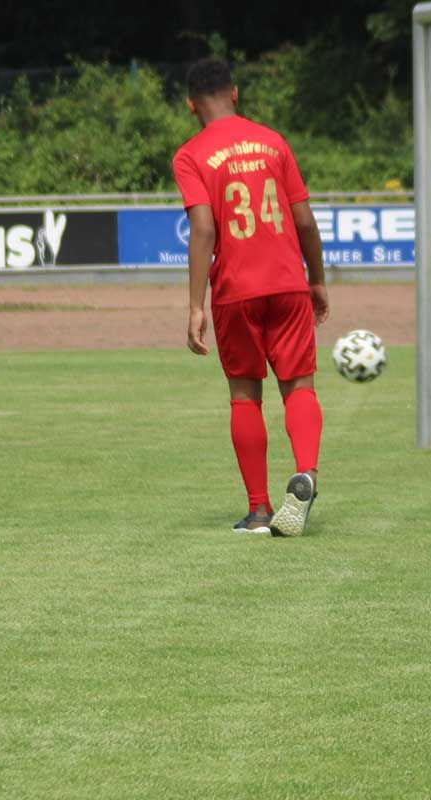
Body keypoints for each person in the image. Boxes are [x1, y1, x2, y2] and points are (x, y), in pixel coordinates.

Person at [172, 58, 330, 536]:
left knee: (245, 396)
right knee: (299, 386)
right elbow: (304, 220)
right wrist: (317, 279)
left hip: (236, 290)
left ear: (190, 105)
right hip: (287, 282)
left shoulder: (190, 155)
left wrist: (196, 305)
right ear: (235, 93)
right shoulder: (273, 142)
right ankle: (306, 472)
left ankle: (259, 510)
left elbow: (203, 228)